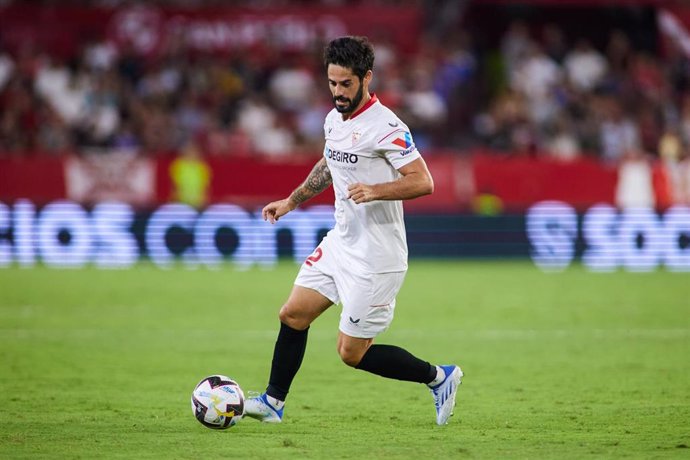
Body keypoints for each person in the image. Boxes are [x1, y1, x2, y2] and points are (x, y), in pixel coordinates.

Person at [244, 36, 463, 426]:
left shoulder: (387, 127)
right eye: (332, 83)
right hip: (341, 243)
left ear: (367, 78)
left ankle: (439, 377)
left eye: (346, 84)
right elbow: (330, 165)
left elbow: (423, 181)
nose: (338, 92)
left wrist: (377, 189)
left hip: (377, 259)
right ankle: (273, 403)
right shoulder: (333, 120)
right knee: (293, 314)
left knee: (351, 353)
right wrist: (291, 201)